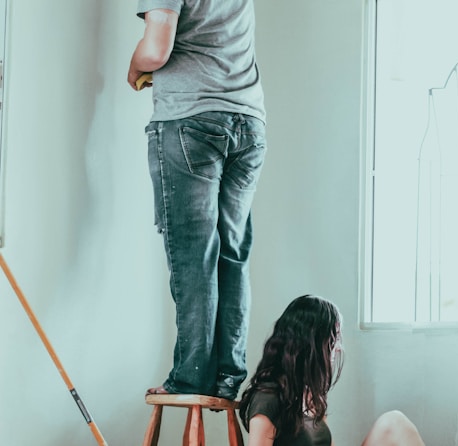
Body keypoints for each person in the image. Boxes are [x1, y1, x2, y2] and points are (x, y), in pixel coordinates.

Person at [127, 0, 267, 401]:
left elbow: (156, 49)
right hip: (249, 121)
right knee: (232, 254)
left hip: (191, 119)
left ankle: (190, 378)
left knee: (194, 257)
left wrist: (135, 67)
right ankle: (227, 375)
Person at [239, 295, 426, 446]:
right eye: (333, 338)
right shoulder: (268, 398)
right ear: (310, 343)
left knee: (394, 423)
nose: (337, 348)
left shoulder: (309, 395)